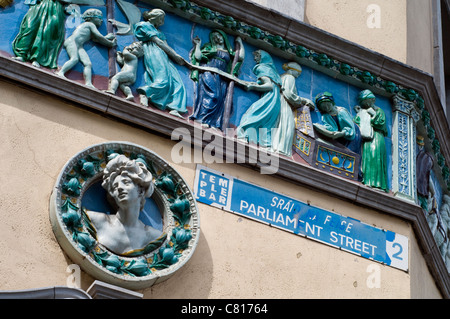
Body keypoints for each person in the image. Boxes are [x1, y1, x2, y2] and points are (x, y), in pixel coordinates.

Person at [85, 154, 163, 256]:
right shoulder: (95, 220)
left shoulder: (153, 236)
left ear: (141, 192)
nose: (120, 188)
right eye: (115, 186)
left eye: (126, 182)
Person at [133, 9, 187, 118]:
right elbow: (158, 42)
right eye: (161, 19)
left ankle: (175, 108)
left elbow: (165, 44)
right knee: (163, 79)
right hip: (153, 52)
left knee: (178, 83)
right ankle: (145, 94)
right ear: (155, 17)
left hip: (164, 55)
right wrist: (175, 56)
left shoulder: (160, 32)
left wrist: (174, 56)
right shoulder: (143, 25)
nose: (161, 21)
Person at [189, 30, 244, 130]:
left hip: (222, 77)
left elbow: (240, 58)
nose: (217, 38)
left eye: (219, 36)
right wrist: (198, 45)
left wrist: (240, 42)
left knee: (221, 100)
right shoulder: (209, 47)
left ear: (224, 38)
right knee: (213, 95)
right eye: (215, 36)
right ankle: (203, 119)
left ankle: (213, 123)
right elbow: (198, 57)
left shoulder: (229, 52)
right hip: (208, 71)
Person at [56, 8, 117, 88]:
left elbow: (96, 39)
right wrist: (110, 43)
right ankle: (61, 72)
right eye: (99, 18)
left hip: (79, 45)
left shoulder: (90, 28)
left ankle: (88, 83)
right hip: (72, 42)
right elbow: (98, 36)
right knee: (74, 59)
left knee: (87, 63)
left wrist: (107, 38)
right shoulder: (90, 24)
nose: (101, 21)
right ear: (91, 18)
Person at [237, 50, 282, 149]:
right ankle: (265, 145)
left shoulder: (261, 68)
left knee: (253, 115)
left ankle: (243, 136)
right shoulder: (273, 71)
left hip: (268, 98)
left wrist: (252, 87)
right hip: (276, 101)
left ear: (263, 58)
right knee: (267, 124)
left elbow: (269, 85)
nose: (254, 59)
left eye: (257, 56)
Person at [271, 62, 314, 157]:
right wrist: (304, 100)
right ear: (292, 71)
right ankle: (281, 149)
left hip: (279, 102)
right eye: (297, 74)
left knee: (281, 124)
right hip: (285, 104)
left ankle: (277, 147)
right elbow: (289, 94)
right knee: (287, 125)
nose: (298, 76)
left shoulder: (281, 76)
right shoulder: (289, 77)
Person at [12, 0, 70, 69]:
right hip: (39, 4)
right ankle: (22, 54)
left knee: (46, 33)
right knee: (29, 26)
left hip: (54, 7)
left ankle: (36, 58)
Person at [353, 89, 389, 192]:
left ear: (371, 100)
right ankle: (367, 181)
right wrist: (359, 113)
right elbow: (357, 124)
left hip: (377, 137)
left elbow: (380, 124)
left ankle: (377, 185)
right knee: (367, 158)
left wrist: (372, 113)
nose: (365, 104)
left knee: (375, 157)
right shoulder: (362, 110)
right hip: (366, 140)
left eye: (366, 101)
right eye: (363, 102)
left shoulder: (379, 111)